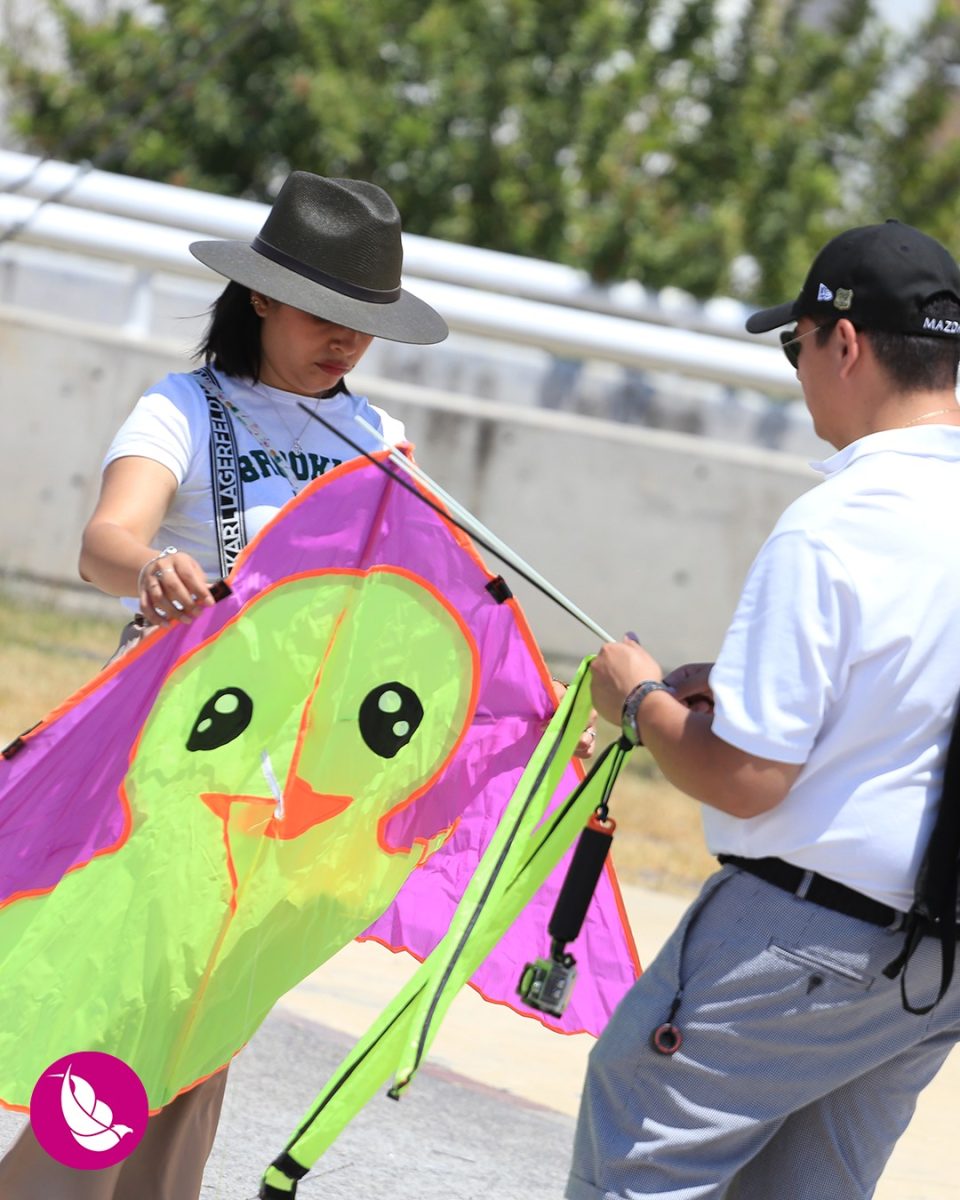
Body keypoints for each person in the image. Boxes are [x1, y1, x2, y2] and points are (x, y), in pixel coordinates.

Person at [0, 169, 448, 1200]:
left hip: (292, 797)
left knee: (205, 1038)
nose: (344, 339)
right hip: (164, 770)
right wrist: (148, 568)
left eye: (364, 321)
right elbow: (106, 538)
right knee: (126, 1020)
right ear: (259, 294)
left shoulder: (379, 443)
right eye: (324, 311)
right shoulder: (183, 407)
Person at [567, 220, 960, 1200]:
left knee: (639, 1162)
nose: (798, 372)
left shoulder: (835, 525)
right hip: (929, 964)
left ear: (845, 343)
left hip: (793, 940)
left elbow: (745, 778)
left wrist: (641, 699)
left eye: (796, 346)